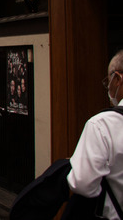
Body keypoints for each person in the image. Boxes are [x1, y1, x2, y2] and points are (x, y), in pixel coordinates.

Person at [67, 50, 123, 219]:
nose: (108, 87)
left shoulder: (101, 125)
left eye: (109, 81)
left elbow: (83, 184)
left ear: (118, 79)